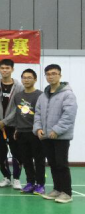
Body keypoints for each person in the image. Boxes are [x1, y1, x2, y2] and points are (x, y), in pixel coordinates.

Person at [34, 64, 78, 204]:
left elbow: (69, 115)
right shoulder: (43, 96)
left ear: (60, 75)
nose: (51, 76)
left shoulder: (67, 94)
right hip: (46, 136)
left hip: (61, 137)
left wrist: (57, 130)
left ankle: (67, 193)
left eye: (54, 73)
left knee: (61, 164)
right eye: (48, 74)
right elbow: (37, 114)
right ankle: (57, 189)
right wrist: (38, 129)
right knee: (52, 164)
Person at [0, 59, 24, 189]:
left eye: (7, 68)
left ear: (12, 69)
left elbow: (18, 107)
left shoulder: (19, 87)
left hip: (13, 126)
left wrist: (5, 121)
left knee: (16, 153)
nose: (4, 70)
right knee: (0, 152)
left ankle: (16, 179)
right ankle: (6, 177)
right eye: (2, 68)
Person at [13, 69, 46, 195]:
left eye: (29, 77)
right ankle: (30, 182)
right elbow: (17, 114)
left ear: (35, 79)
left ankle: (40, 184)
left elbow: (43, 114)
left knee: (39, 160)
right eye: (24, 77)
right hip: (22, 132)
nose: (26, 80)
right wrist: (16, 129)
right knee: (26, 160)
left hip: (35, 132)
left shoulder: (41, 95)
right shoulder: (18, 96)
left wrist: (40, 129)